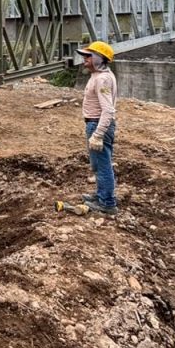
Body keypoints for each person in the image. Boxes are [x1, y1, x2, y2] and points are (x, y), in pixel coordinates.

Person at [78, 40, 118, 216]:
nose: (84, 59)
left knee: (103, 166)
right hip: (93, 123)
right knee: (98, 164)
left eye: (88, 56)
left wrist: (98, 134)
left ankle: (107, 204)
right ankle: (101, 195)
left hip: (98, 124)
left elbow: (108, 110)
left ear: (99, 59)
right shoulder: (97, 75)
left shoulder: (102, 79)